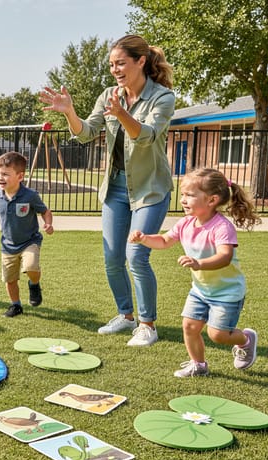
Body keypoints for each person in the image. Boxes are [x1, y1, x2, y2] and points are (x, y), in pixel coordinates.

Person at [39, 34, 175, 346]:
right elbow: (86, 134)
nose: (115, 69)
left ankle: (147, 325)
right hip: (115, 188)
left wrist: (123, 113)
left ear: (140, 61)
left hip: (150, 189)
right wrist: (69, 112)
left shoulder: (162, 98)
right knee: (113, 258)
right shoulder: (108, 95)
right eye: (112, 64)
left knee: (137, 254)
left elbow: (148, 136)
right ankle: (126, 316)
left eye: (121, 63)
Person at [130, 167, 261, 377]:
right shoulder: (185, 223)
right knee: (190, 326)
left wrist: (199, 263)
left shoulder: (221, 227)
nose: (183, 199)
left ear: (211, 200)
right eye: (182, 194)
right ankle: (198, 365)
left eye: (189, 195)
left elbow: (225, 256)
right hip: (200, 290)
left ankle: (245, 340)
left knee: (217, 335)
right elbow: (164, 241)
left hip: (227, 293)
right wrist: (144, 238)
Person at [0, 152, 54, 317]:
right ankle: (15, 306)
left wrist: (48, 223)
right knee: (10, 279)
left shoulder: (30, 196)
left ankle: (34, 284)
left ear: (20, 176)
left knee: (31, 266)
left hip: (30, 241)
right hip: (8, 245)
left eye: (5, 174)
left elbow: (45, 211)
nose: (0, 178)